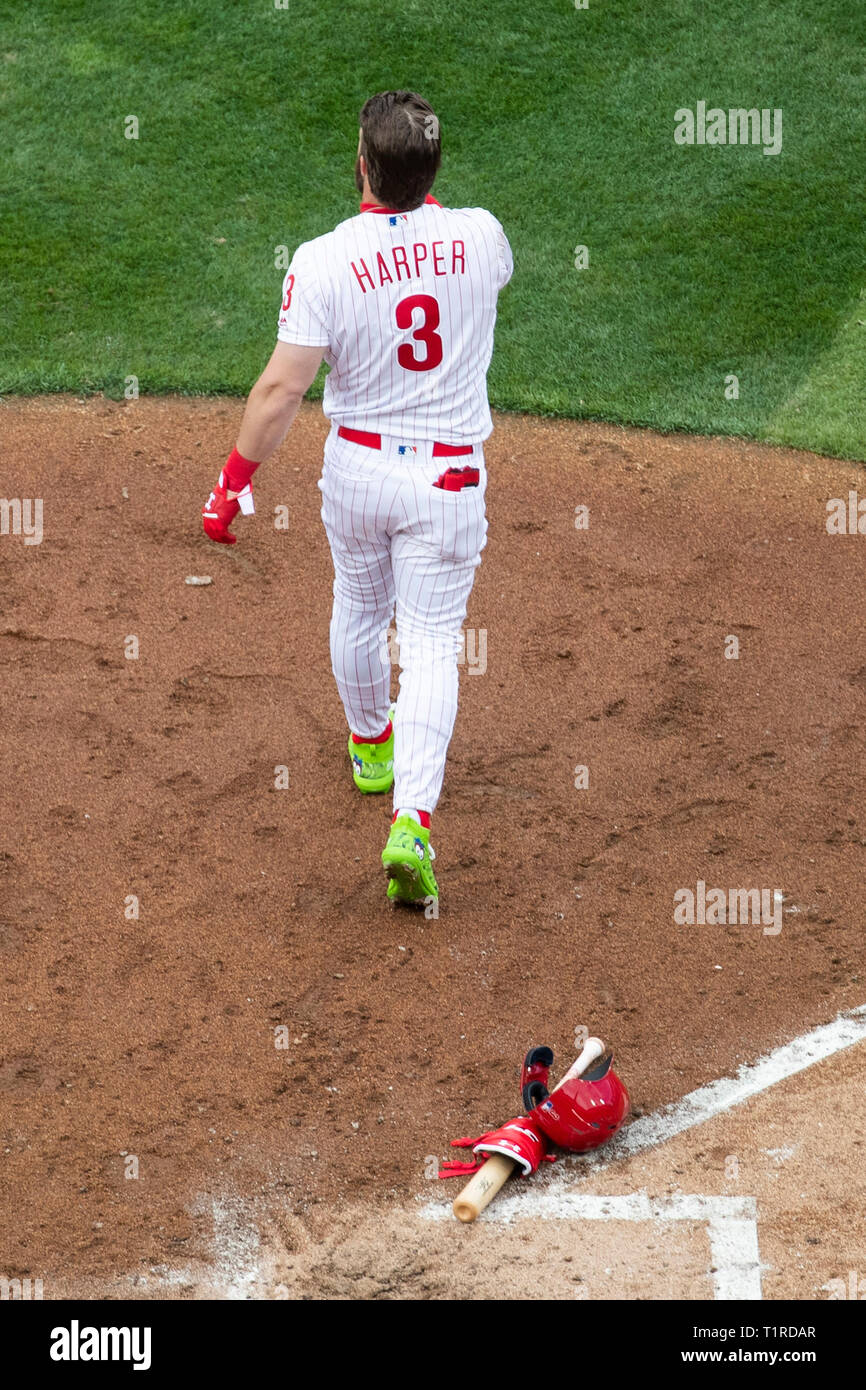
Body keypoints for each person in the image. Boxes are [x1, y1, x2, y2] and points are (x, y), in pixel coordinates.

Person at [202, 90, 512, 906]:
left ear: (362, 169)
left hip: (358, 474)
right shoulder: (483, 237)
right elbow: (439, 249)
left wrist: (232, 486)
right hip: (447, 480)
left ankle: (371, 746)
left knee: (358, 606)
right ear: (435, 167)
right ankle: (412, 821)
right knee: (435, 645)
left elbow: (279, 392)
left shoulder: (322, 260)